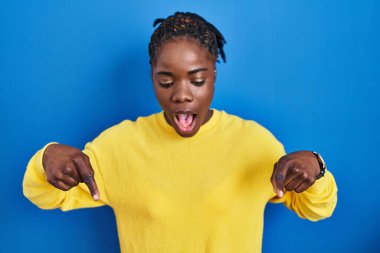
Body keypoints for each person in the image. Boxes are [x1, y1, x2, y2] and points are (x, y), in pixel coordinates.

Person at [23, 12, 338, 253]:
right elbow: (43, 195)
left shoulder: (254, 142)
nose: (182, 95)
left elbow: (318, 208)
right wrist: (46, 159)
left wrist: (317, 166)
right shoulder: (118, 146)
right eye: (166, 81)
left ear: (213, 75)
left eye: (197, 80)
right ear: (152, 77)